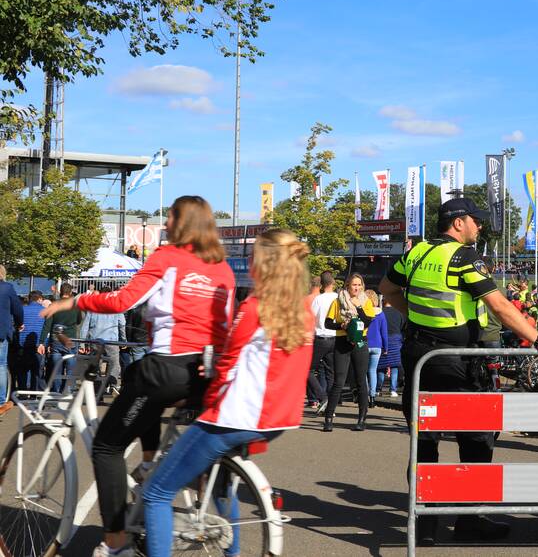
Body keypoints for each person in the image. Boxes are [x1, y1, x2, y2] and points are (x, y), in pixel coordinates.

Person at [41, 195, 235, 557]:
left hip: (168, 367)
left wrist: (75, 301)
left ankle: (116, 543)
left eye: (171, 218)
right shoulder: (221, 267)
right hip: (204, 372)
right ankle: (148, 465)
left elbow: (122, 302)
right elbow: (224, 325)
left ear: (183, 223)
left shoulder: (167, 258)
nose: (165, 225)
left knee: (107, 446)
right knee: (133, 377)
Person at [379, 197, 538, 545]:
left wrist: (418, 320)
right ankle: (471, 520)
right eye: (476, 221)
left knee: (424, 445)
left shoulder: (416, 253)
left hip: (420, 358)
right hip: (458, 363)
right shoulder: (464, 257)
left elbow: (387, 289)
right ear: (458, 222)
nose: (479, 227)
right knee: (477, 440)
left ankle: (423, 526)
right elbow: (500, 306)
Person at [141, 228, 313, 557]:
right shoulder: (303, 311)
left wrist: (208, 399)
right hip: (278, 419)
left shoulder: (253, 308)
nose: (249, 262)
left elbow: (227, 367)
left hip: (236, 416)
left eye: (253, 257)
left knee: (158, 493)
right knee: (220, 482)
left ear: (263, 265)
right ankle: (231, 552)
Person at [322, 273, 373, 432]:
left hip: (360, 343)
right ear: (347, 286)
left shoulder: (366, 301)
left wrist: (357, 306)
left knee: (360, 381)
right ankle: (328, 418)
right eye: (353, 285)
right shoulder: (337, 301)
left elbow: (367, 321)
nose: (356, 288)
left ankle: (361, 420)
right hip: (342, 342)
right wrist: (341, 325)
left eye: (359, 285)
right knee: (339, 381)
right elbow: (328, 323)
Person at [83, 285, 127, 396]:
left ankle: (98, 391)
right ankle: (111, 384)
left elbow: (85, 326)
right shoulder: (116, 307)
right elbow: (122, 324)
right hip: (112, 341)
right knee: (114, 364)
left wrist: (82, 344)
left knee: (96, 366)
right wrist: (124, 340)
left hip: (96, 341)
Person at [42, 283, 82, 393]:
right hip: (71, 339)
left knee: (56, 369)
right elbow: (79, 321)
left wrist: (42, 342)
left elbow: (47, 325)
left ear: (60, 291)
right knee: (70, 369)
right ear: (70, 293)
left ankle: (56, 392)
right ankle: (68, 392)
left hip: (56, 340)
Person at [308, 271, 338, 413]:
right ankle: (330, 404)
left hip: (321, 337)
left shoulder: (319, 299)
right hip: (335, 337)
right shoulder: (338, 298)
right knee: (331, 373)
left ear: (321, 284)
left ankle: (322, 396)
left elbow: (311, 318)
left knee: (308, 369)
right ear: (333, 283)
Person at [0, 264, 24, 417]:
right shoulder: (7, 288)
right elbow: (18, 309)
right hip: (1, 332)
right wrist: (19, 323)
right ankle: (1, 402)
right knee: (1, 365)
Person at [15, 290, 47, 391]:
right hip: (39, 345)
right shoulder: (45, 311)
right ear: (39, 299)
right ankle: (34, 394)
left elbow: (17, 326)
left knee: (22, 371)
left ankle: (23, 392)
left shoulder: (22, 310)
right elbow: (47, 329)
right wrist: (45, 344)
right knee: (37, 371)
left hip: (23, 344)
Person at [376, 297, 405, 397]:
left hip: (382, 340)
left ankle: (378, 389)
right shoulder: (399, 313)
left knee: (381, 366)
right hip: (396, 339)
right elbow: (403, 326)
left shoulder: (380, 313)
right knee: (395, 366)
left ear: (383, 301)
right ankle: (393, 389)